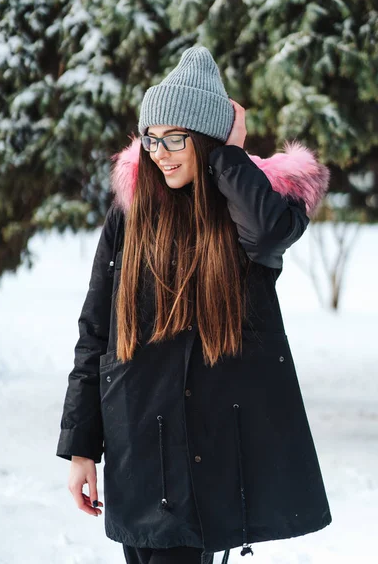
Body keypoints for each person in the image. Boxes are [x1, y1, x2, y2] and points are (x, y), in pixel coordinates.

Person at [56, 46, 332, 564]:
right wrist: (81, 447)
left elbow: (272, 231)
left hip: (204, 465)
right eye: (151, 139)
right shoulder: (131, 214)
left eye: (175, 139)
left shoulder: (245, 212)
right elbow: (96, 332)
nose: (159, 153)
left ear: (204, 139)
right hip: (135, 452)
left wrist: (229, 153)